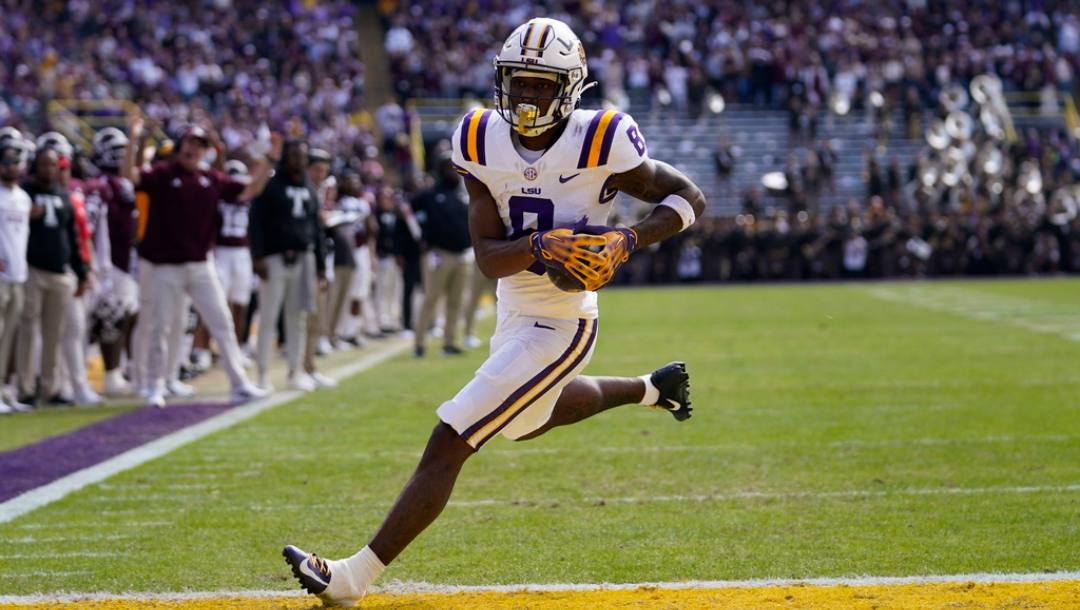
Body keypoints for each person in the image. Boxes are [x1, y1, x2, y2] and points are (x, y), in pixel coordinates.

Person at [284, 17, 706, 607]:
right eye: (519, 81)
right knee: (525, 421)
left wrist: (625, 239)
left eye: (541, 84)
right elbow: (488, 259)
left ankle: (353, 577)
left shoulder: (601, 137)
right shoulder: (480, 138)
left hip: (563, 321)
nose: (527, 95)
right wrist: (542, 244)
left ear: (569, 87)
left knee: (452, 436)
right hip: (514, 309)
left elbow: (689, 198)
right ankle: (650, 389)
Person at [121, 108, 274, 407]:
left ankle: (239, 383)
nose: (193, 149)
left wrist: (270, 160)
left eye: (200, 145)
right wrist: (134, 139)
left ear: (206, 151)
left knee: (221, 321)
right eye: (190, 143)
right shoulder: (163, 174)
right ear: (181, 146)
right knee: (160, 326)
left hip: (201, 265)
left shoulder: (211, 179)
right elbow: (130, 175)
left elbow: (252, 188)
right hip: (166, 266)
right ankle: (155, 385)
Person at [249, 140, 328, 392]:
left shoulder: (309, 187)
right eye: (294, 155)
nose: (299, 160)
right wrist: (257, 256)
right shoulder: (271, 184)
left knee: (298, 318)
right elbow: (255, 221)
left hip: (304, 258)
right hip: (274, 258)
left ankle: (295, 373)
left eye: (303, 156)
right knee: (269, 317)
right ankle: (262, 375)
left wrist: (321, 266)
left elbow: (316, 228)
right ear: (285, 157)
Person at [16, 148, 91, 407]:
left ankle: (51, 388)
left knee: (55, 334)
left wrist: (81, 272)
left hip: (60, 272)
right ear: (34, 167)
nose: (49, 169)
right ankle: (25, 389)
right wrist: (27, 216)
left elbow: (71, 236)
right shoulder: (24, 192)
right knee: (28, 332)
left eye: (53, 165)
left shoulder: (63, 195)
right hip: (33, 270)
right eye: (44, 164)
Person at [411, 153, 473, 357]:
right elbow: (408, 210)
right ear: (440, 169)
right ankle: (419, 344)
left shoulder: (465, 192)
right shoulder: (430, 194)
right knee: (431, 298)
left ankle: (449, 342)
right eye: (449, 167)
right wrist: (421, 237)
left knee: (456, 301)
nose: (453, 171)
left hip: (463, 255)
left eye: (455, 167)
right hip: (440, 254)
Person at [0, 138, 32, 413]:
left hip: (18, 275)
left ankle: (2, 390)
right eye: (6, 161)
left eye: (15, 162)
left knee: (9, 336)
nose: (11, 166)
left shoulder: (23, 198)